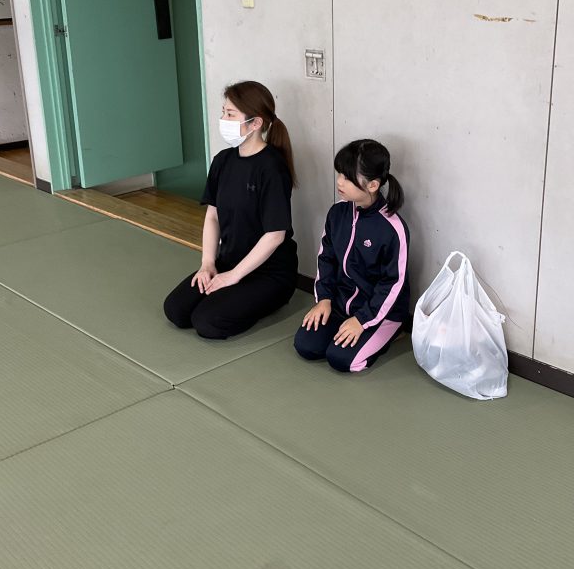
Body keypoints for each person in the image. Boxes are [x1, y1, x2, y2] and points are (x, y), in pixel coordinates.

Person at [163, 81, 298, 339]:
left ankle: (262, 299)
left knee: (207, 322)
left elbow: (275, 235)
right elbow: (212, 216)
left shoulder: (272, 168)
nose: (223, 119)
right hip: (229, 261)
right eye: (223, 112)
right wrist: (207, 264)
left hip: (270, 273)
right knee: (176, 310)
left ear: (255, 123)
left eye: (230, 114)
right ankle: (232, 292)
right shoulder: (222, 161)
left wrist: (234, 276)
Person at [294, 139, 410, 373]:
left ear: (373, 185)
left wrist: (362, 320)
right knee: (306, 346)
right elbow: (326, 259)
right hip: (340, 304)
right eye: (339, 174)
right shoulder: (337, 213)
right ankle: (345, 324)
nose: (339, 181)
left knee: (342, 360)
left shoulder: (392, 228)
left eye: (347, 177)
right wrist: (324, 299)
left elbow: (392, 284)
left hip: (379, 313)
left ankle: (393, 331)